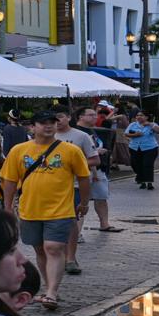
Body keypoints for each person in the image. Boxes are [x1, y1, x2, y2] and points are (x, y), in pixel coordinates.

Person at [0, 110, 90, 311]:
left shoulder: (71, 150)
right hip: (29, 210)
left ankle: (51, 293)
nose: (48, 126)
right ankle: (49, 286)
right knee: (40, 250)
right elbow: (10, 180)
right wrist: (7, 206)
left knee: (53, 248)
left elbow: (84, 177)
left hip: (61, 210)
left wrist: (84, 202)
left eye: (52, 122)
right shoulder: (18, 150)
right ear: (32, 127)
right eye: (42, 123)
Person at [56, 108, 102, 276]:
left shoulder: (81, 136)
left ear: (69, 117)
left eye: (60, 117)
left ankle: (70, 258)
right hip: (50, 187)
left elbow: (95, 159)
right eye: (53, 118)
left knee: (70, 221)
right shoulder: (45, 137)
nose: (57, 121)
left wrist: (72, 165)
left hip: (74, 185)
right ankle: (57, 256)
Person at [74, 107, 123, 234]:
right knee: (80, 201)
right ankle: (77, 233)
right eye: (91, 115)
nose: (95, 117)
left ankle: (104, 224)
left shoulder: (93, 130)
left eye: (95, 115)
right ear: (80, 117)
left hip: (99, 169)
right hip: (84, 170)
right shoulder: (76, 133)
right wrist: (96, 152)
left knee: (101, 196)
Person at [125, 112, 159, 190]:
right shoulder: (133, 125)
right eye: (137, 115)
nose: (139, 117)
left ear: (146, 117)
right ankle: (141, 180)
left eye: (141, 115)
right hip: (134, 148)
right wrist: (135, 135)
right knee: (135, 164)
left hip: (150, 148)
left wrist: (150, 124)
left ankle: (149, 182)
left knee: (147, 164)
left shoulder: (152, 124)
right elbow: (126, 134)